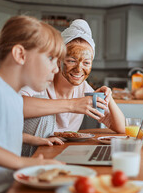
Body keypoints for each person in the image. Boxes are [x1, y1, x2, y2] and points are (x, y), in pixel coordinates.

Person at [0, 15, 64, 193]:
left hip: (1, 192)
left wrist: (35, 140)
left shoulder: (14, 97)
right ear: (20, 55)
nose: (55, 69)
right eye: (50, 58)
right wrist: (23, 163)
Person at [20, 19, 125, 156]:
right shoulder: (41, 78)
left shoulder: (84, 89)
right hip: (28, 153)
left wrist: (108, 98)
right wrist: (73, 105)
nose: (79, 69)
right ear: (59, 60)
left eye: (86, 63)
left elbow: (121, 128)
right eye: (71, 61)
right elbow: (15, 104)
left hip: (60, 153)